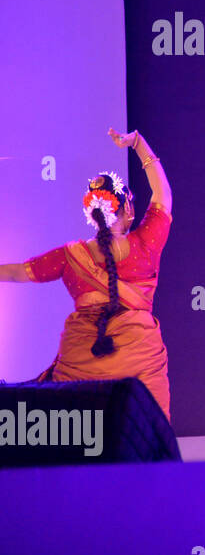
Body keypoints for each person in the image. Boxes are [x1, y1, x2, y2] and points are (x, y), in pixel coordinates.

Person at [0, 128, 175, 418]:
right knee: (145, 442)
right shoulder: (146, 245)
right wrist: (138, 144)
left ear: (92, 215)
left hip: (81, 371)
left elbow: (20, 272)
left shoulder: (71, 256)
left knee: (78, 443)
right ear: (128, 209)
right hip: (140, 370)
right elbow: (163, 195)